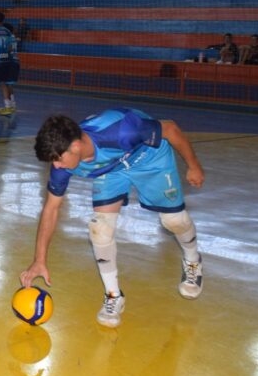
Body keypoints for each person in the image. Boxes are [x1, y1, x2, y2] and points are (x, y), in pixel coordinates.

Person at [20, 110, 205, 328]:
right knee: (100, 230)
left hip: (149, 158)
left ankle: (193, 261)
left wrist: (193, 166)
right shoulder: (62, 161)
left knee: (174, 221)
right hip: (112, 171)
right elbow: (51, 209)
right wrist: (39, 260)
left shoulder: (123, 131)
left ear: (76, 146)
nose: (57, 167)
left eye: (59, 160)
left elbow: (171, 128)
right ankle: (113, 295)